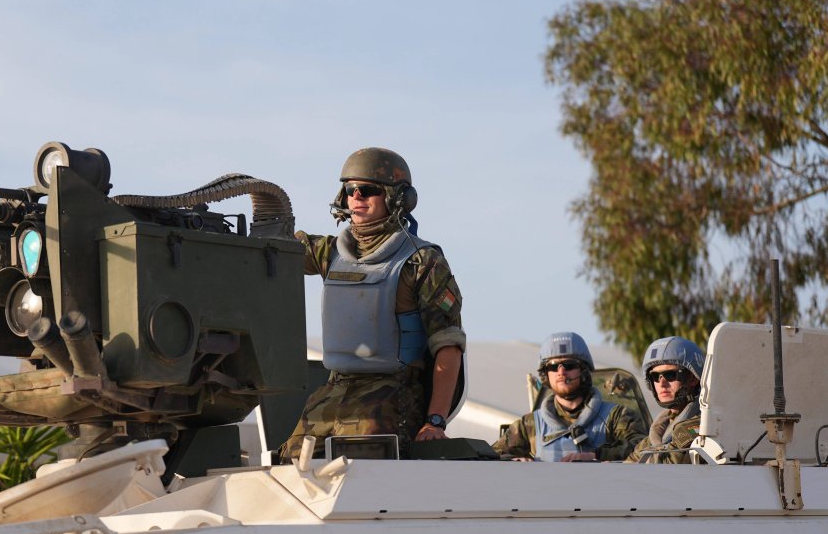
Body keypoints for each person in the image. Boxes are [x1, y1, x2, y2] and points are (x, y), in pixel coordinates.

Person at [278, 147, 466, 461]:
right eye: (351, 190)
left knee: (361, 469)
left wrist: (436, 420)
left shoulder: (422, 262)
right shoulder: (331, 252)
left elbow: (448, 346)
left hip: (393, 392)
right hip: (336, 389)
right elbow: (278, 250)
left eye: (368, 190)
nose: (357, 197)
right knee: (291, 464)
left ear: (399, 198)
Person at [492, 332, 645, 462]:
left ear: (584, 371)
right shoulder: (529, 425)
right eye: (552, 366)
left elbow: (642, 447)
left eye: (569, 365)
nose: (561, 372)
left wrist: (596, 455)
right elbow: (490, 456)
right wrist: (511, 462)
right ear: (545, 375)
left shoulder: (616, 417)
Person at [626, 336, 705, 464]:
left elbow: (667, 467)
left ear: (693, 379)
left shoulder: (703, 425)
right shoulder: (660, 430)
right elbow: (628, 465)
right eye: (655, 376)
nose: (662, 384)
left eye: (670, 375)